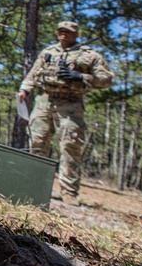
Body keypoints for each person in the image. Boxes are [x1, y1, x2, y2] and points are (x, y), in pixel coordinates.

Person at [16, 21, 114, 202]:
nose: (63, 34)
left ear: (75, 34)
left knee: (70, 146)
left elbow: (106, 80)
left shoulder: (89, 55)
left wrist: (81, 77)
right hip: (45, 101)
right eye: (60, 31)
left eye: (67, 32)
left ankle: (69, 192)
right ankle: (34, 187)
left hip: (71, 104)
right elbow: (33, 73)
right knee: (37, 142)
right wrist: (24, 90)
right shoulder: (48, 52)